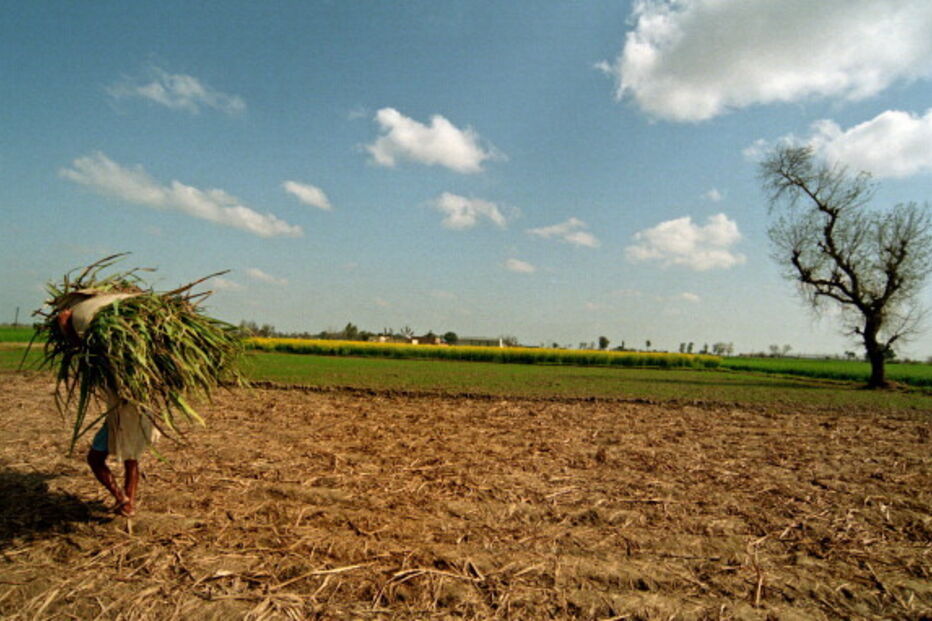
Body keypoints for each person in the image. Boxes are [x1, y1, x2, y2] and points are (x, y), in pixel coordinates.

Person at [57, 292, 159, 517]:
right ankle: (127, 502)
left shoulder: (119, 357)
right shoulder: (144, 358)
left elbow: (88, 356)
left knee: (97, 458)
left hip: (126, 413)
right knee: (131, 458)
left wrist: (67, 329)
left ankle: (122, 498)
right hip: (137, 411)